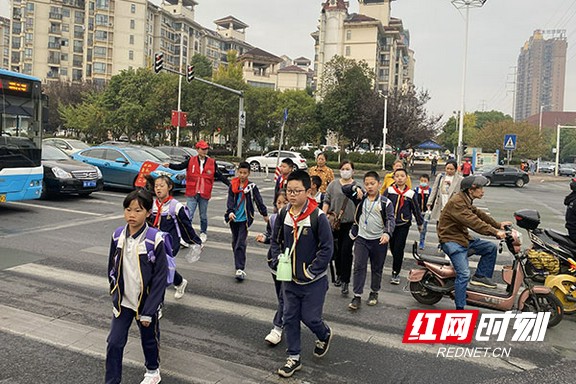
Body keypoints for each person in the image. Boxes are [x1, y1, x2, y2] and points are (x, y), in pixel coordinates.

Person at [270, 170, 333, 378]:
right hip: (289, 279)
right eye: (289, 191)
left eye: (297, 191)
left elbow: (327, 249)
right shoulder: (283, 214)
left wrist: (311, 270)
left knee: (311, 318)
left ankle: (324, 334)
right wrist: (278, 258)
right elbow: (275, 239)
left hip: (313, 281)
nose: (292, 195)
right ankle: (294, 357)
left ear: (308, 191)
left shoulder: (317, 217)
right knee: (289, 317)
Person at [105, 189, 168, 384]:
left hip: (146, 302)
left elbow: (160, 278)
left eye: (138, 210)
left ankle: (152, 370)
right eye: (128, 209)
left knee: (149, 339)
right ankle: (112, 380)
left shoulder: (154, 239)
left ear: (149, 212)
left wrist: (150, 310)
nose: (131, 215)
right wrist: (115, 291)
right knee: (114, 343)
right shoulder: (118, 235)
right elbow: (111, 267)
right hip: (124, 301)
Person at [437, 175, 511, 310]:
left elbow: (478, 214)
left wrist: (498, 225)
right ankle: (460, 308)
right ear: (471, 190)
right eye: (480, 188)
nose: (483, 191)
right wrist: (495, 232)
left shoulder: (466, 199)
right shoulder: (458, 203)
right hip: (451, 240)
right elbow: (474, 222)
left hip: (463, 238)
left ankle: (481, 276)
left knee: (490, 248)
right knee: (464, 274)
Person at [343, 171, 395, 311]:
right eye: (367, 184)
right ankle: (357, 296)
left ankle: (374, 292)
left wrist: (387, 233)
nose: (369, 187)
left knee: (377, 268)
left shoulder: (385, 202)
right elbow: (345, 189)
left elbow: (391, 219)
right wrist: (356, 188)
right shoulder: (360, 197)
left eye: (372, 184)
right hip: (361, 238)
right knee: (359, 266)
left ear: (379, 184)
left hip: (378, 240)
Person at [163, 140, 231, 243]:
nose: (204, 151)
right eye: (202, 149)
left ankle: (203, 232)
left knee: (203, 216)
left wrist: (230, 185)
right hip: (192, 192)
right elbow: (180, 166)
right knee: (189, 215)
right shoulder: (191, 161)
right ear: (197, 150)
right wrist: (169, 165)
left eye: (206, 149)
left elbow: (219, 175)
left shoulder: (212, 162)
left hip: (204, 193)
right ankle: (187, 236)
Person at [149, 175, 202, 301]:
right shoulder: (152, 205)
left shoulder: (176, 206)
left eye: (162, 186)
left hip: (170, 244)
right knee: (162, 269)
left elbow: (186, 226)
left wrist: (196, 242)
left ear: (170, 187)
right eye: (156, 186)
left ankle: (157, 307)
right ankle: (179, 282)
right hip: (154, 242)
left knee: (159, 273)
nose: (158, 189)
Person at [225, 161, 269, 281]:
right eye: (240, 172)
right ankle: (238, 260)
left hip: (245, 219)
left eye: (245, 173)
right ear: (237, 172)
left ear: (249, 173)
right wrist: (230, 211)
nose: (242, 175)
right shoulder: (233, 185)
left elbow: (258, 200)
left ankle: (240, 268)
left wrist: (264, 214)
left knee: (240, 242)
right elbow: (230, 200)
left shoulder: (252, 187)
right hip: (233, 218)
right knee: (235, 241)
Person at [256, 189, 288, 345]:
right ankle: (286, 317)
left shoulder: (297, 220)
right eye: (279, 203)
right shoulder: (273, 219)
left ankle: (277, 328)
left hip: (289, 266)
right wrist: (265, 239)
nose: (281, 206)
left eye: (285, 203)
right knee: (282, 297)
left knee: (284, 297)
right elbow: (271, 237)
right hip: (275, 264)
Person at [383, 168, 423, 285]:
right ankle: (396, 261)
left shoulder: (410, 194)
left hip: (403, 224)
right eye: (397, 176)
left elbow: (416, 209)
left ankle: (396, 272)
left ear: (406, 178)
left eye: (402, 176)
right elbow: (382, 204)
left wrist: (420, 223)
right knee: (392, 247)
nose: (400, 178)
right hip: (389, 224)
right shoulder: (389, 191)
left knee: (399, 248)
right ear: (394, 178)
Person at [323, 160, 357, 294]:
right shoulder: (333, 185)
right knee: (336, 252)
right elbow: (327, 200)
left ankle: (346, 281)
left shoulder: (356, 186)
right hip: (334, 224)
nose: (345, 171)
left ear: (353, 171)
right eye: (343, 168)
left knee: (346, 252)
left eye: (348, 169)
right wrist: (323, 216)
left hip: (350, 224)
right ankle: (339, 274)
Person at [414, 174, 432, 250]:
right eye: (422, 181)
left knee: (424, 227)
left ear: (428, 182)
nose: (423, 182)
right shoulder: (416, 190)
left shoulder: (430, 190)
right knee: (420, 226)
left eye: (425, 181)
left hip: (426, 212)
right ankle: (421, 233)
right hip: (418, 212)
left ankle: (422, 241)